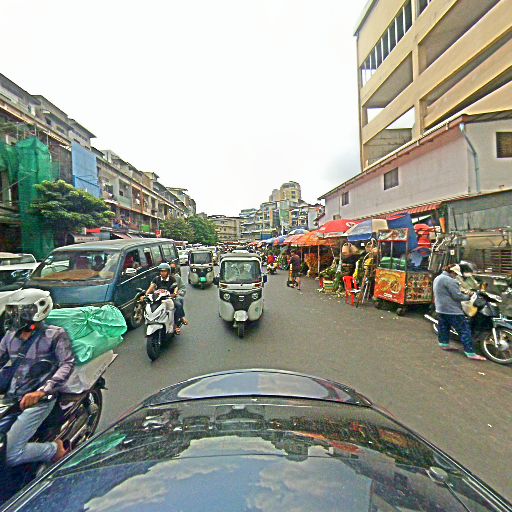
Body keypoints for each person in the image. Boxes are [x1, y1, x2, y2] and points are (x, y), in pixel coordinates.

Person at [0, 289, 73, 467]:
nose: (15, 316)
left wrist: (42, 392)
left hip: (40, 400)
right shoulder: (10, 336)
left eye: (21, 311)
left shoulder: (55, 335)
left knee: (11, 454)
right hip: (11, 397)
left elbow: (67, 364)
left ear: (38, 311)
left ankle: (54, 450)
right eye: (12, 311)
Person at [432, 264, 486, 360]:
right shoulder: (450, 280)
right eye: (455, 274)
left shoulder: (438, 278)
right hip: (452, 310)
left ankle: (444, 344)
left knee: (444, 327)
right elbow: (457, 296)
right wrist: (469, 297)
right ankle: (470, 353)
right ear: (452, 272)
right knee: (464, 330)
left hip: (440, 308)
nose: (456, 276)